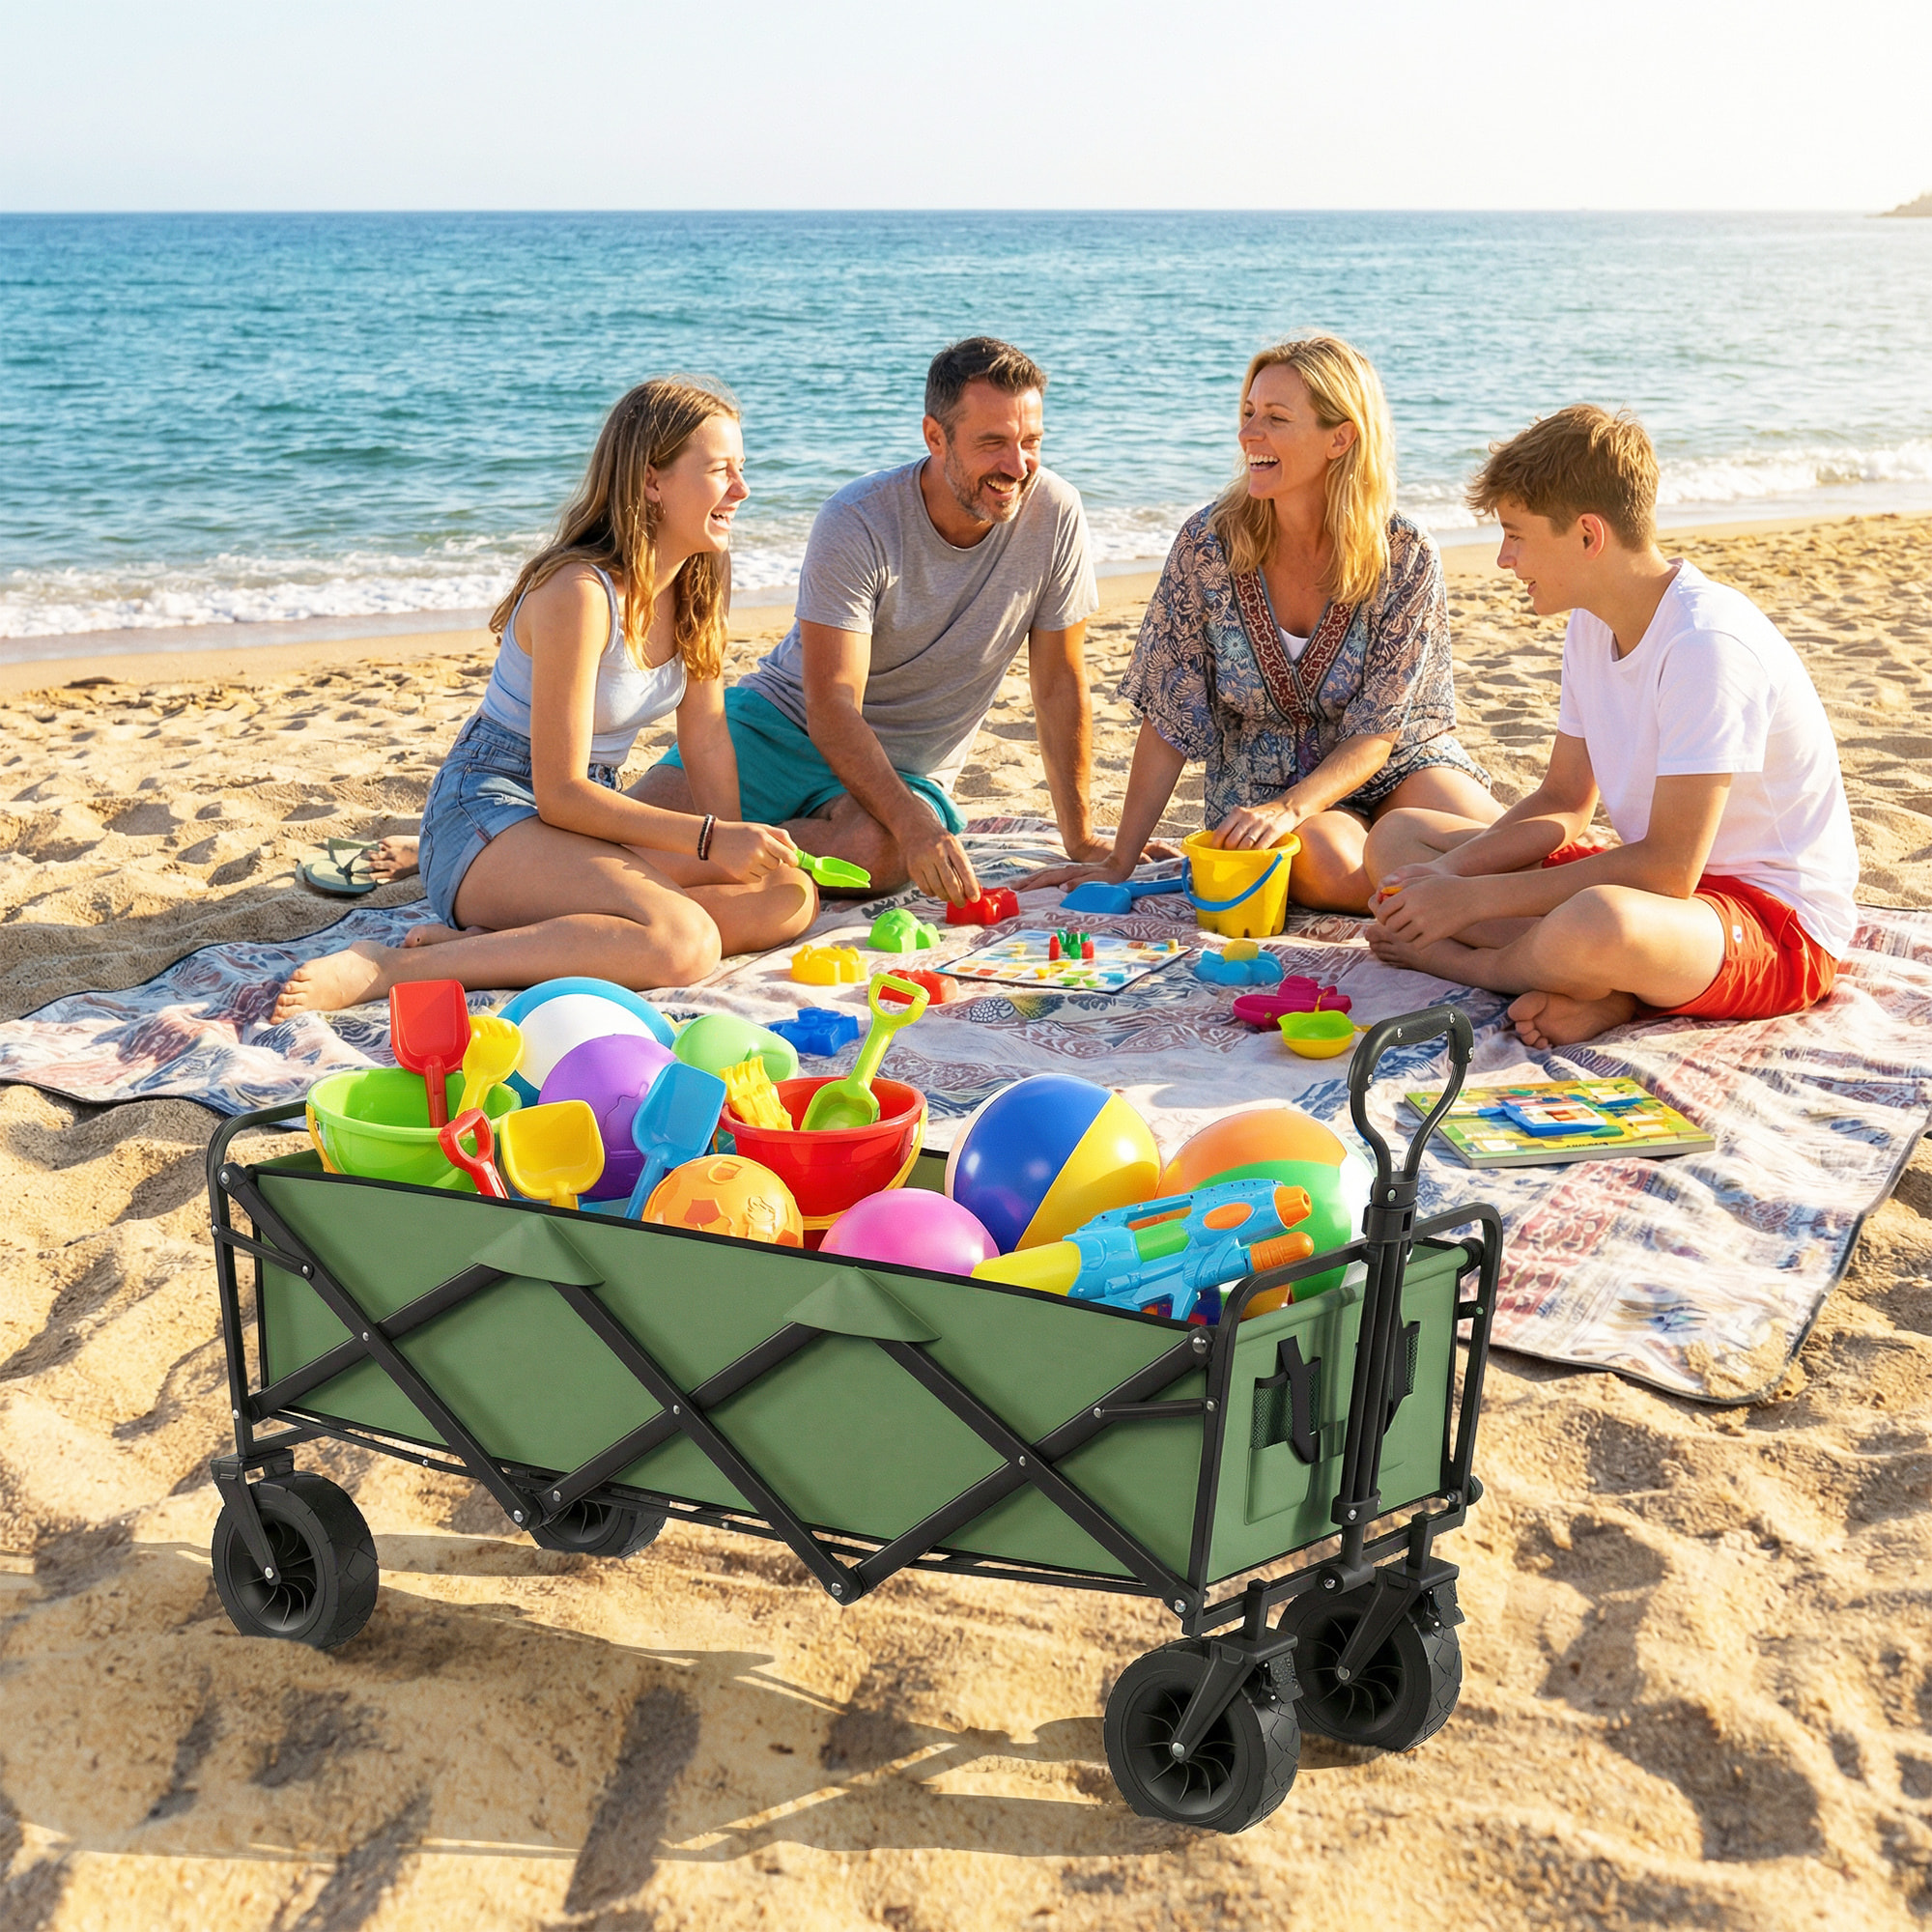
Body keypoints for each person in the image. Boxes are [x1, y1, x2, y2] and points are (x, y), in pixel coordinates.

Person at [271, 377, 815, 1019]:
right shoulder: (579, 593)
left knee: (786, 896)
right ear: (652, 481)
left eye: (742, 469)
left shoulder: (703, 574)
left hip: (586, 817)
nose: (742, 490)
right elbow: (560, 792)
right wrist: (706, 839)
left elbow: (707, 738)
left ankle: (519, 943)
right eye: (722, 470)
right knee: (684, 943)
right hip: (491, 810)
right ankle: (389, 967)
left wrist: (732, 845)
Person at [1364, 405, 1858, 1048]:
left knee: (1597, 922)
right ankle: (1602, 986)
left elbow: (1669, 871)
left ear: (1588, 535)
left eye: (1516, 536)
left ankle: (1487, 967)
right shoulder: (1591, 624)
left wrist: (1472, 905)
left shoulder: (1705, 644)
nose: (1504, 560)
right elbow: (1563, 800)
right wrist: (1448, 877)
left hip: (1773, 924)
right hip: (1665, 902)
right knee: (1400, 840)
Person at [1027, 335, 1498, 911]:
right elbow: (1171, 715)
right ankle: (1462, 905)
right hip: (1264, 790)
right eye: (1248, 413)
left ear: (1340, 438)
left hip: (1397, 765)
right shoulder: (1207, 546)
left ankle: (1546, 896)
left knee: (1499, 845)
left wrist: (1292, 807)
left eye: (1275, 417)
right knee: (1334, 864)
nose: (1249, 433)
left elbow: (1378, 731)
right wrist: (1119, 860)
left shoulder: (1405, 555)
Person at [634, 337, 1113, 903]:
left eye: (1030, 442)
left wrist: (1081, 839)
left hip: (906, 769)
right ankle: (710, 860)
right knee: (632, 833)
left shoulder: (1055, 513)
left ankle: (717, 860)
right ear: (935, 437)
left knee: (879, 856)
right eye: (993, 444)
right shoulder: (857, 518)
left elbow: (1058, 683)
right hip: (778, 726)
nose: (1017, 466)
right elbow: (832, 705)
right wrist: (914, 829)